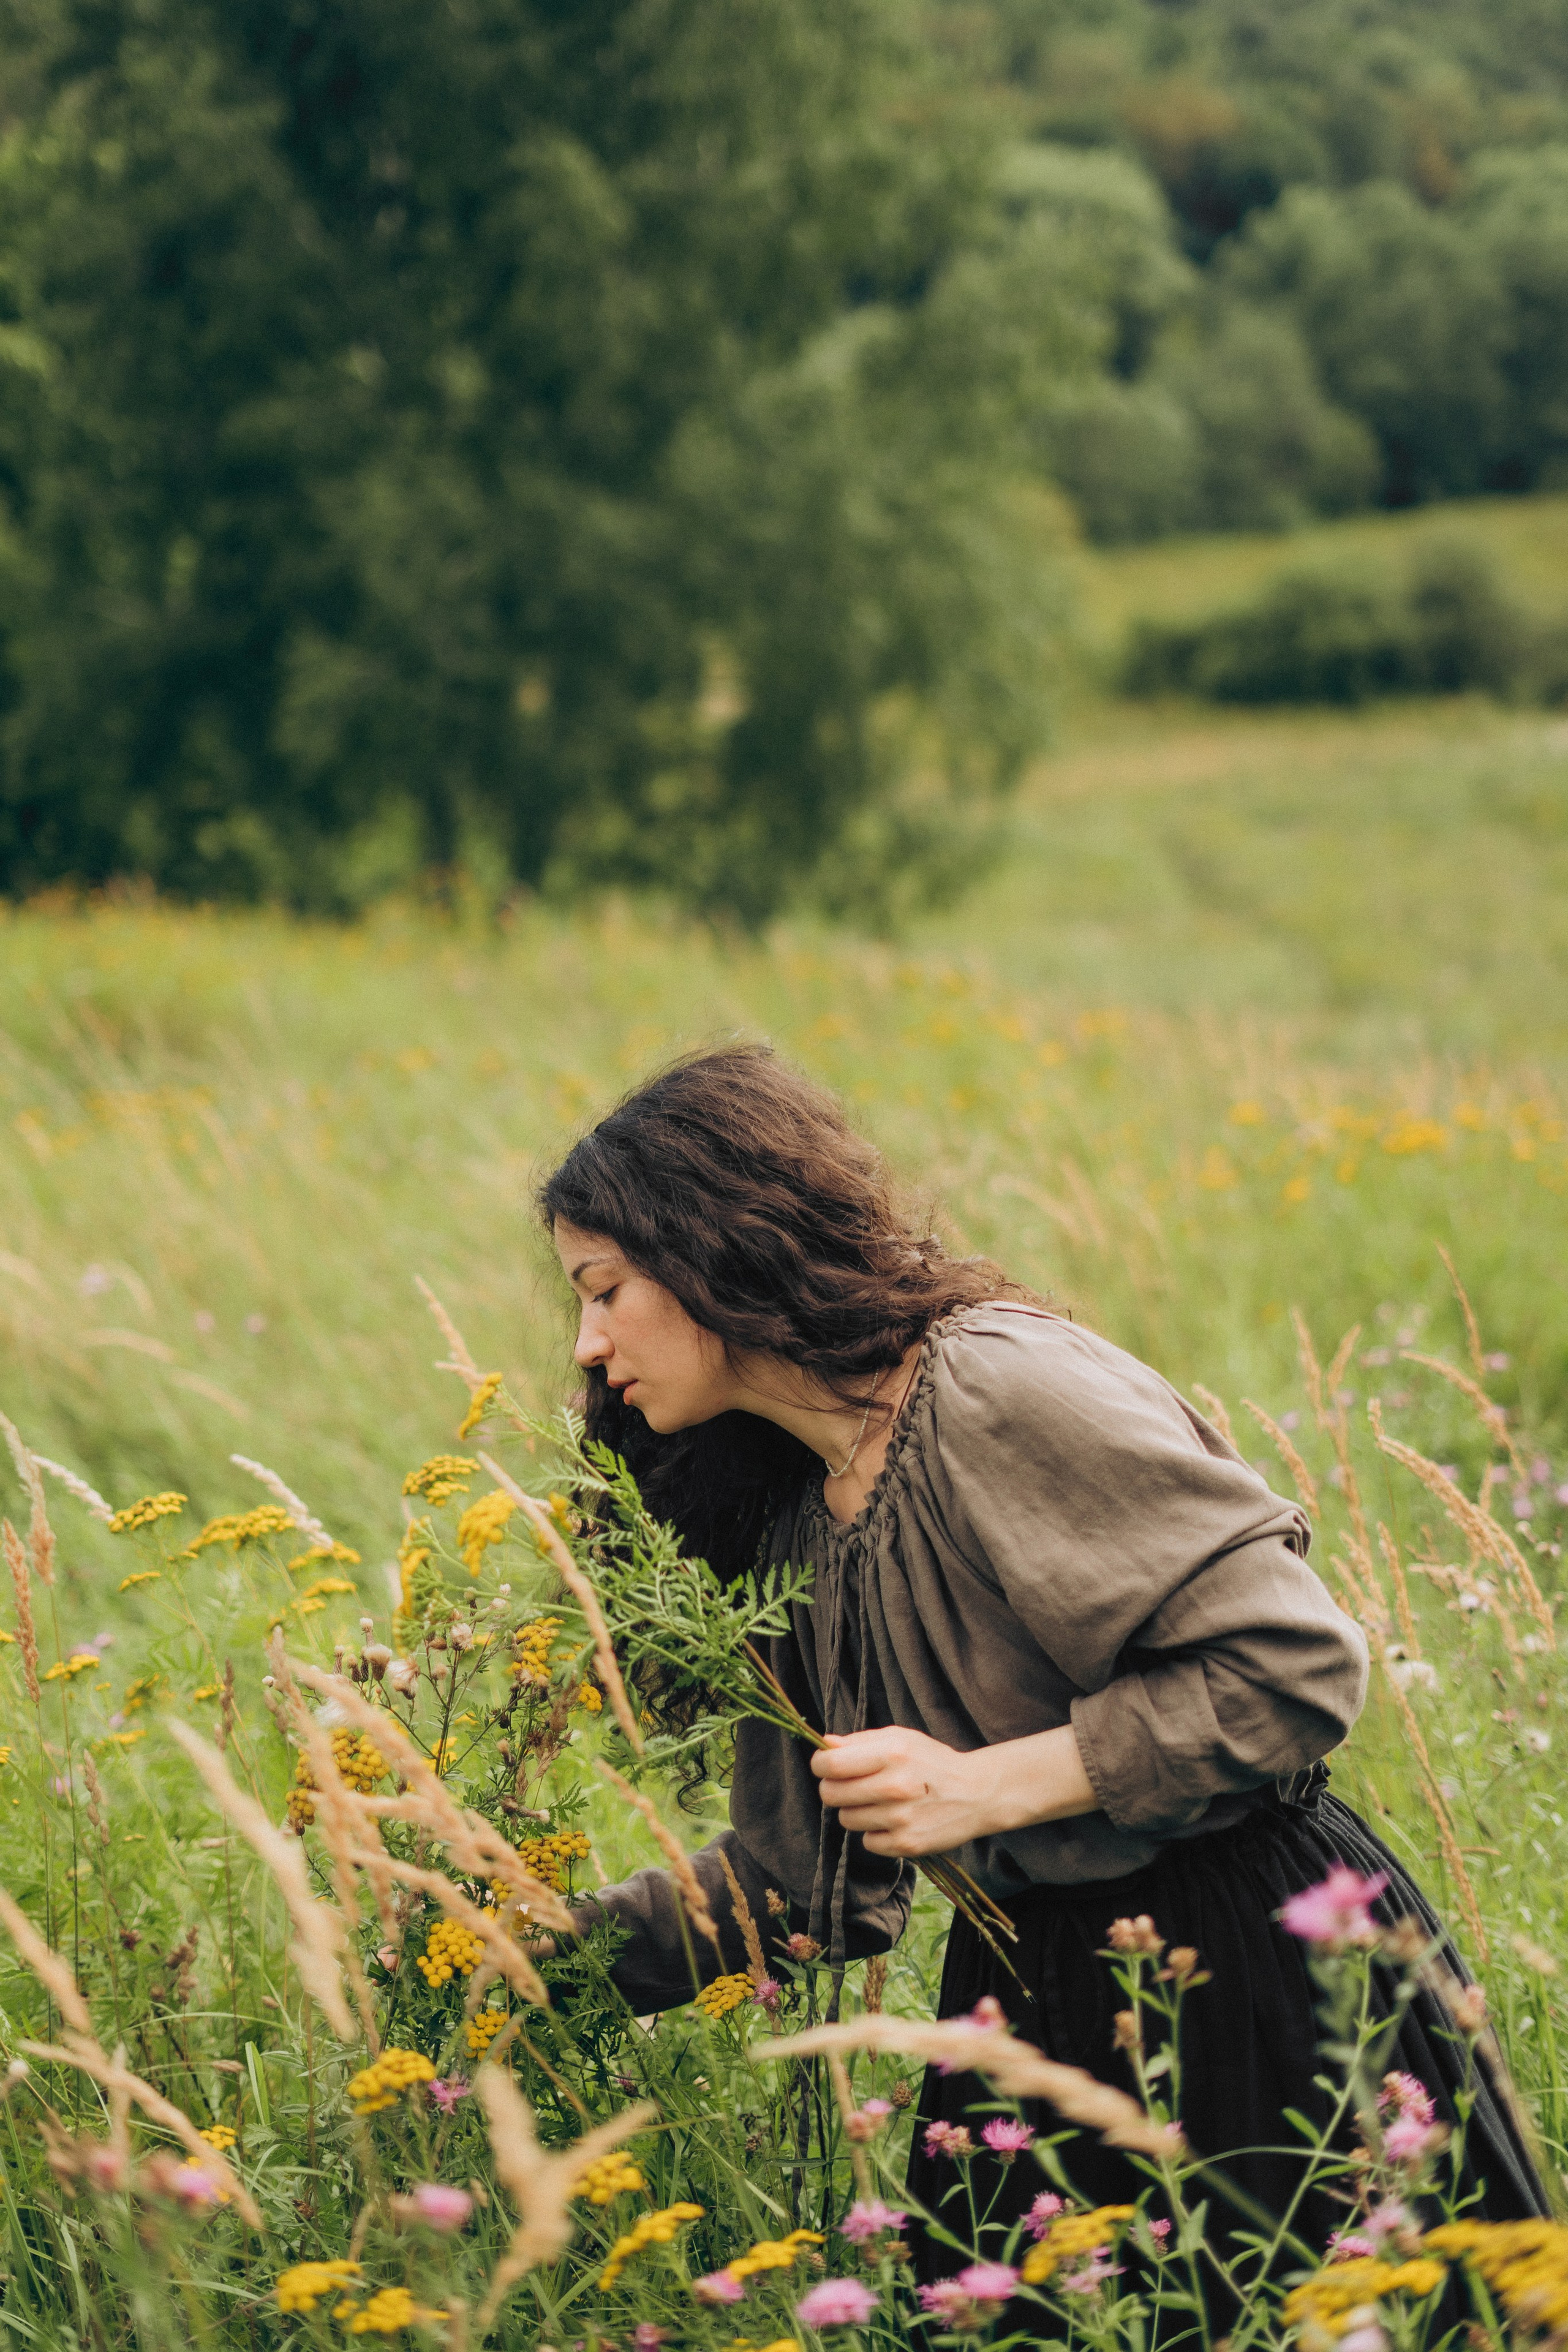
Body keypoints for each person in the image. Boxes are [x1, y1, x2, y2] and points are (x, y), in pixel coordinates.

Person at [538, 1043, 1545, 2272]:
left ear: (708, 1251)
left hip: (1250, 1970)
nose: (587, 1345)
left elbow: (1291, 1669)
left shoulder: (993, 1389)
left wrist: (984, 1786)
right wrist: (529, 1958)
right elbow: (805, 1883)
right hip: (1029, 2006)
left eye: (603, 1288)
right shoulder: (787, 1509)